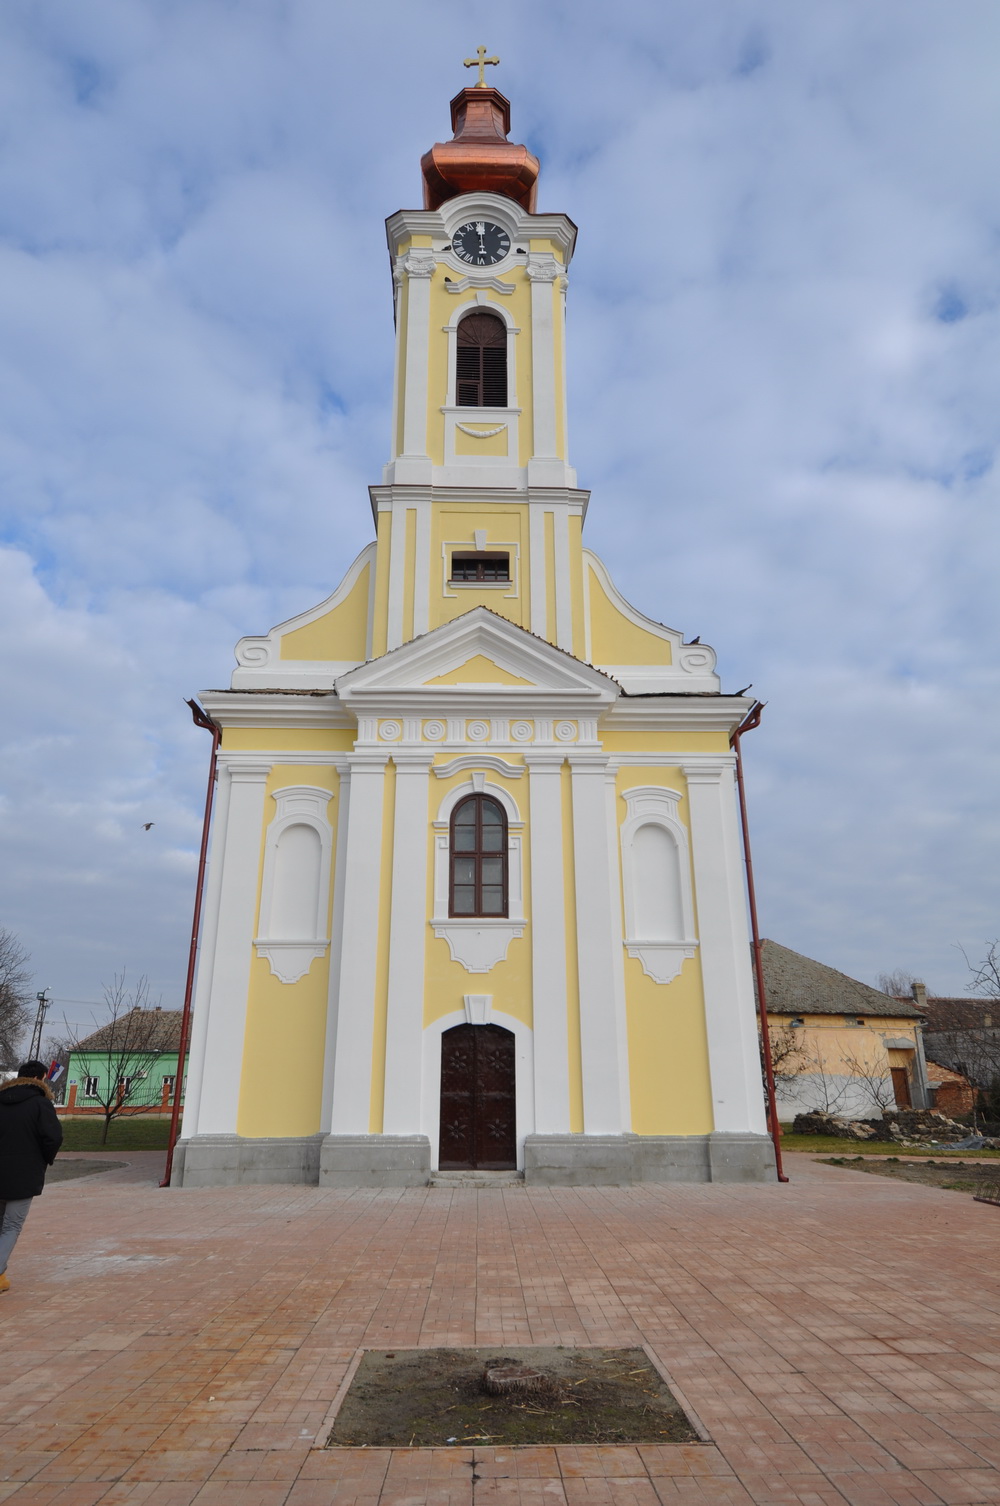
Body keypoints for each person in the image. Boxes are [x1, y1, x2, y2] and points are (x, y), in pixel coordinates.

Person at [0, 1060, 63, 1294]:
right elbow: (53, 1138)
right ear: (39, 1078)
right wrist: (43, 1159)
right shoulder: (40, 1104)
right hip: (23, 1175)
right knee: (12, 1226)